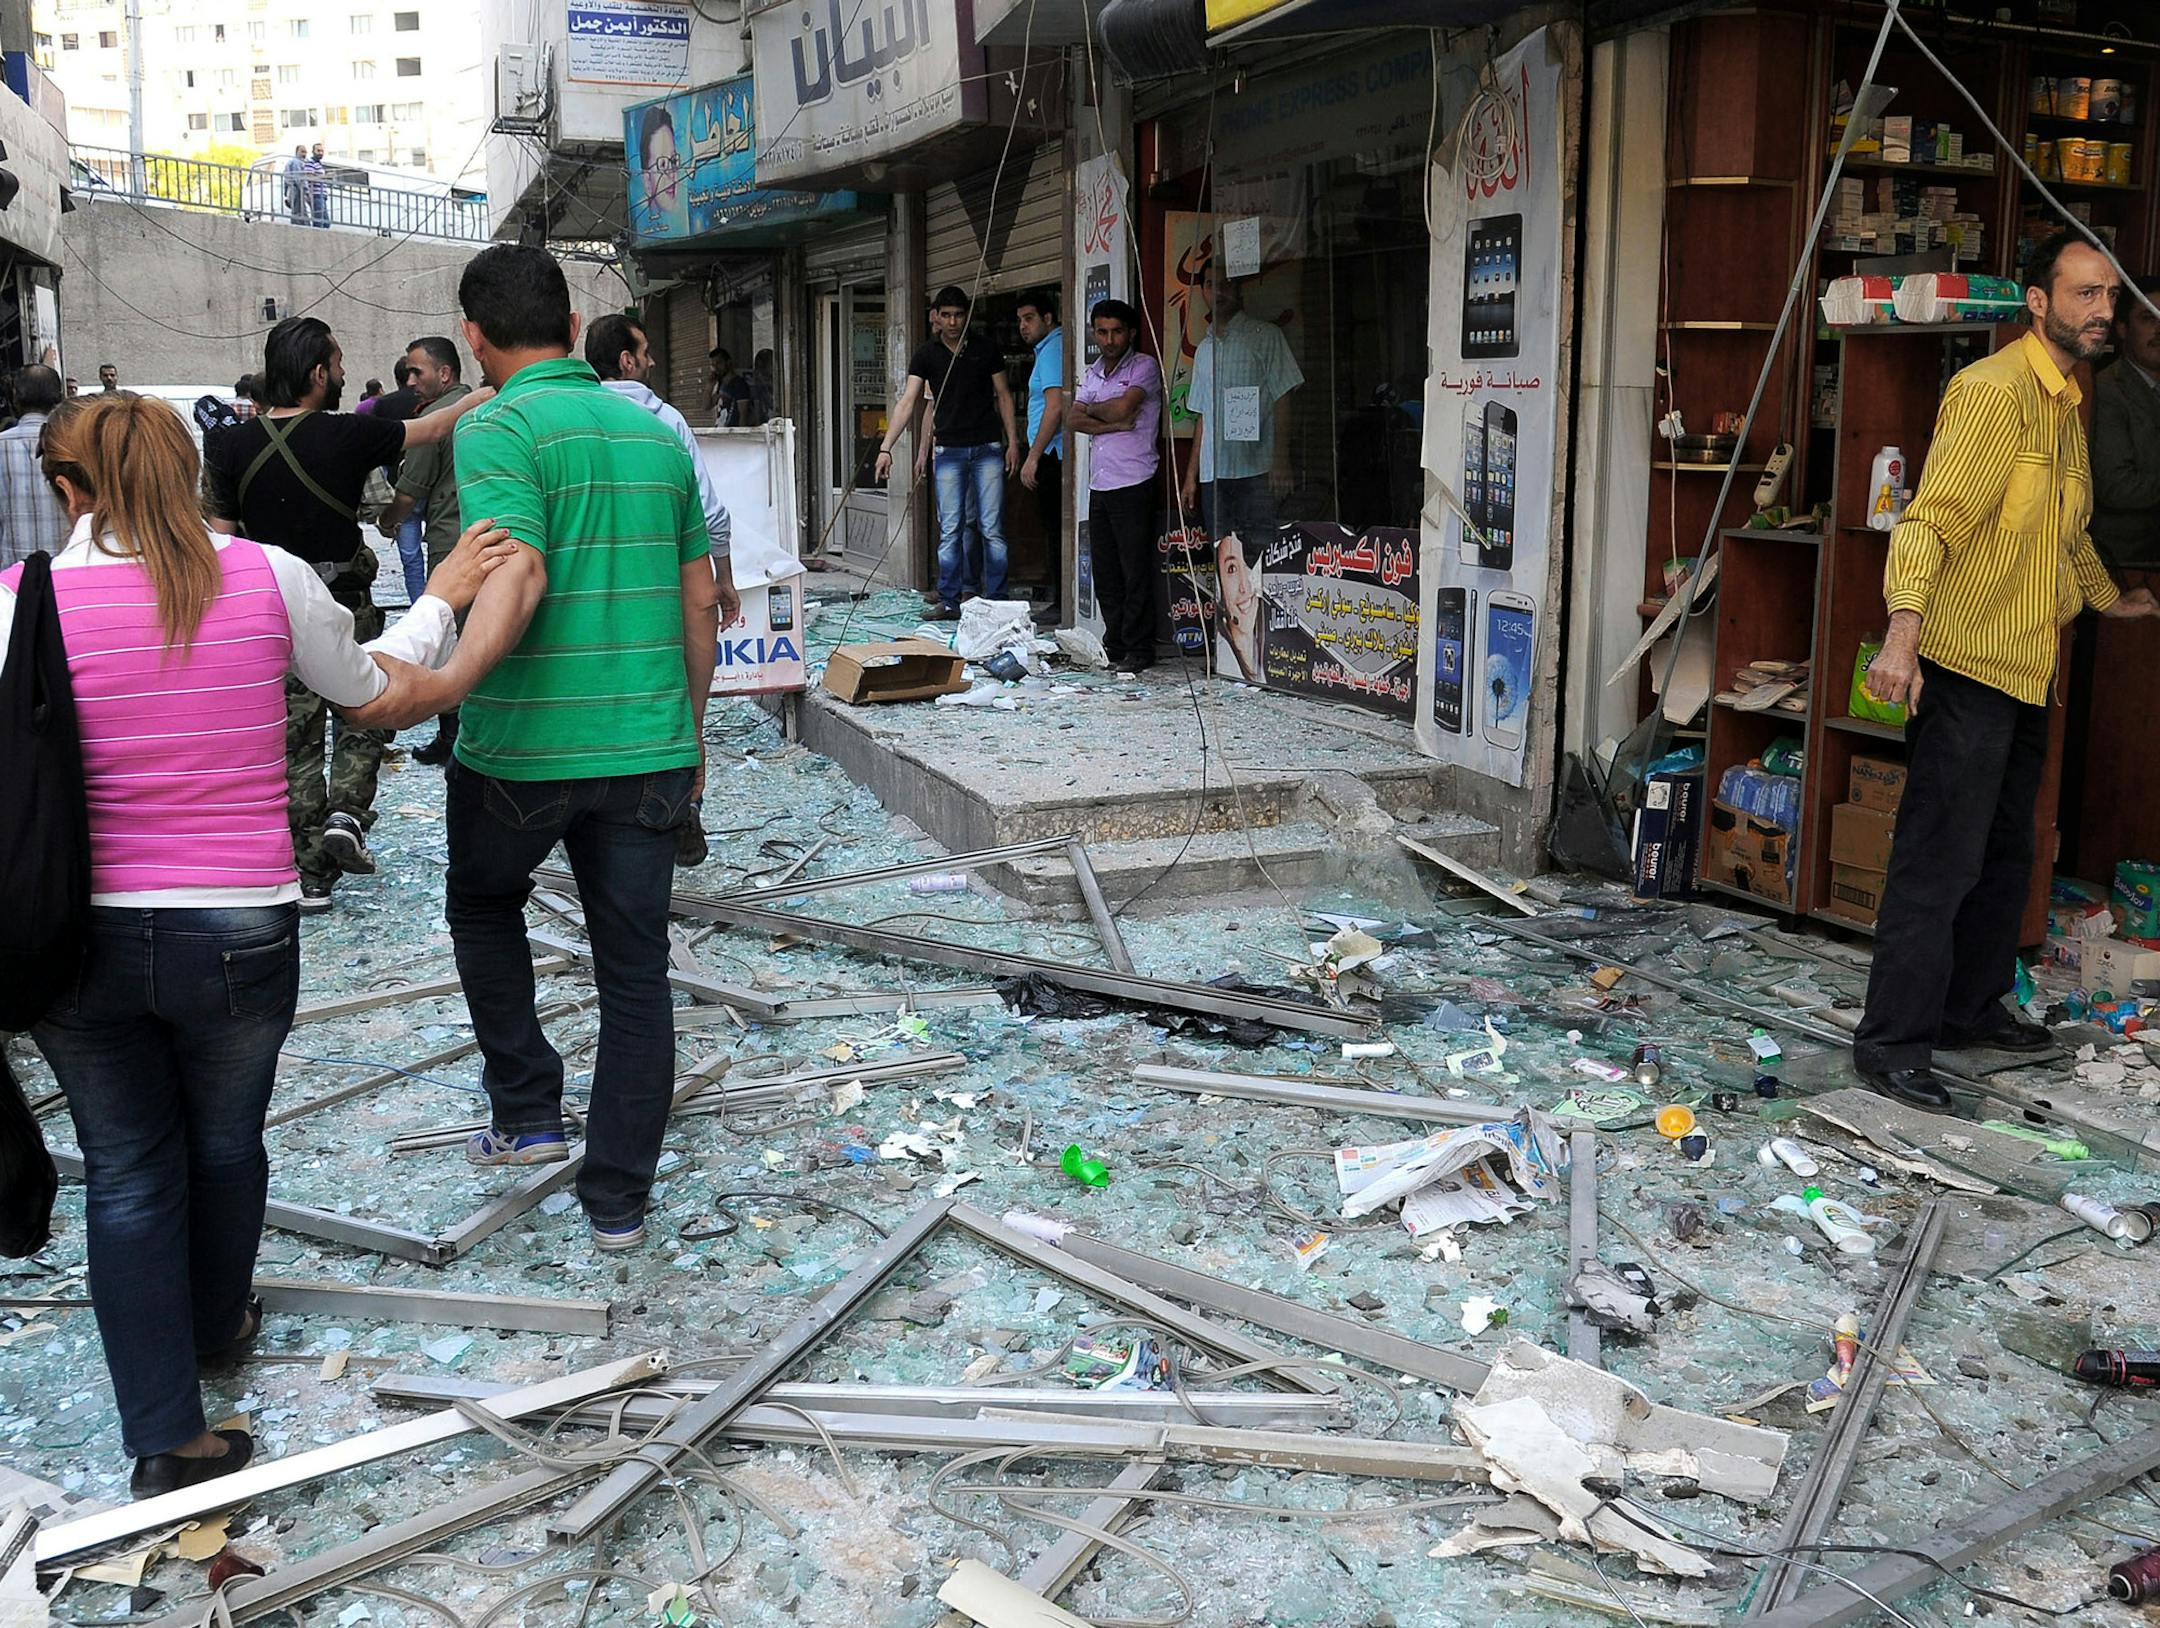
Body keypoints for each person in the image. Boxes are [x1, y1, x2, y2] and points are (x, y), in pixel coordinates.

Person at [0, 391, 511, 1498]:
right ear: (190, 470)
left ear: (67, 490)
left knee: (127, 1172)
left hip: (73, 938)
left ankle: (163, 1438)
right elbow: (372, 693)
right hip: (236, 921)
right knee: (227, 1145)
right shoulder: (268, 578)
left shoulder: (14, 605)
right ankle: (218, 1321)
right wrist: (441, 602)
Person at [345, 244, 737, 1252]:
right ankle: (619, 1201)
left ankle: (525, 1111)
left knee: (484, 904)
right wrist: (690, 733)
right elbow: (701, 600)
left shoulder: (498, 426)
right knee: (636, 971)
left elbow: (513, 568)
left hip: (521, 751)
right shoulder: (657, 434)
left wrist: (444, 686)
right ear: (570, 326)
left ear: (473, 337)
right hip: (647, 746)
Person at [1855, 232, 2160, 1109]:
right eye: (2084, 294)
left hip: (2028, 668)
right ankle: (1891, 1042)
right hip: (1965, 667)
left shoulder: (2067, 401)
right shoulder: (1993, 393)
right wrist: (1902, 636)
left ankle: (1967, 1008)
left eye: (2110, 296)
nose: (2103, 311)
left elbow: (2064, 534)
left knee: (2004, 851)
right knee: (1938, 861)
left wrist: (2108, 599)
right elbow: (1931, 521)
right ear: (2037, 302)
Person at [201, 316, 489, 912]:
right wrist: (493, 388)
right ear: (316, 373)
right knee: (367, 707)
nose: (341, 374)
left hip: (271, 606)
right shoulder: (348, 433)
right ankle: (348, 813)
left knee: (295, 737)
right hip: (343, 599)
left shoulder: (229, 445)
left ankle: (311, 874)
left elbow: (222, 538)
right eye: (335, 365)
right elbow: (436, 425)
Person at [872, 286, 1019, 619]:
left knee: (992, 528)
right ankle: (951, 601)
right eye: (947, 315)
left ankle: (998, 600)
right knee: (951, 529)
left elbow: (1004, 396)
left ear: (967, 316)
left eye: (959, 315)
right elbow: (908, 402)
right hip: (949, 450)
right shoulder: (926, 354)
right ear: (936, 316)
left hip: (987, 448)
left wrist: (1012, 442)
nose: (953, 322)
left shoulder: (985, 348)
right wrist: (886, 447)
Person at [381, 336, 473, 766]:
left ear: (445, 373)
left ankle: (453, 735)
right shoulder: (489, 406)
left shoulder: (435, 420)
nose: (410, 381)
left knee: (449, 635)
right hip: (498, 538)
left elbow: (410, 490)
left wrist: (388, 519)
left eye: (417, 371)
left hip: (450, 542)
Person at [1067, 299, 1163, 673]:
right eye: (1102, 332)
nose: (1109, 340)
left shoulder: (1144, 367)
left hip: (1134, 480)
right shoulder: (1092, 372)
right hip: (1101, 483)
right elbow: (1073, 419)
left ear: (1131, 333)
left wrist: (1097, 409)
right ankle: (1117, 643)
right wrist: (1112, 423)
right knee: (1106, 571)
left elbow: (1124, 409)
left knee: (1134, 569)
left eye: (1117, 332)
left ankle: (1139, 648)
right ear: (1094, 333)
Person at [1178, 260, 1304, 544]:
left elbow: (1283, 397)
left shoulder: (1265, 337)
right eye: (1210, 285)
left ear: (1239, 289)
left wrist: (1281, 460)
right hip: (1213, 475)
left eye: (1226, 284)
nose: (1218, 292)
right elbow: (1202, 416)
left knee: (1259, 552)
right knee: (1223, 553)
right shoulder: (1204, 350)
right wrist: (1191, 476)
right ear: (1202, 291)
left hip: (1257, 471)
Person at [2090, 274, 2160, 573]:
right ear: (2121, 328)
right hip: (2125, 561)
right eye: (2148, 318)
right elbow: (2117, 487)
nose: (2159, 329)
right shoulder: (2107, 390)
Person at [1016, 290, 1065, 622]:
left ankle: (1061, 601)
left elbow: (1055, 406)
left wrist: (1033, 457)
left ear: (1048, 318)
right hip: (1048, 452)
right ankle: (1059, 598)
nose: (1023, 326)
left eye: (1029, 318)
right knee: (1052, 528)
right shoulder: (1047, 349)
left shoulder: (1052, 350)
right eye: (1020, 320)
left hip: (1051, 454)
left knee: (1056, 529)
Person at [0, 364, 69, 567]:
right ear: (59, 398)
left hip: (11, 572)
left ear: (15, 398)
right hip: (65, 569)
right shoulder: (75, 445)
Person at [710, 346, 759, 426]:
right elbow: (706, 406)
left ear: (728, 362)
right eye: (713, 365)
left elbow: (743, 413)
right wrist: (709, 387)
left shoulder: (739, 384)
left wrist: (740, 431)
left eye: (719, 363)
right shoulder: (721, 384)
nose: (716, 368)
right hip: (721, 427)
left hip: (733, 429)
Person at [282, 145, 310, 226]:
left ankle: (299, 225)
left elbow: (286, 179)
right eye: (302, 152)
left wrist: (286, 193)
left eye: (305, 152)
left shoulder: (291, 162)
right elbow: (299, 178)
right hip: (297, 189)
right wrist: (306, 191)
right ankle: (303, 227)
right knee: (299, 210)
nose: (304, 154)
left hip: (292, 189)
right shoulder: (297, 162)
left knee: (297, 210)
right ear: (297, 152)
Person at [307, 143, 330, 228]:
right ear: (313, 151)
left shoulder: (319, 164)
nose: (320, 153)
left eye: (322, 151)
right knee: (319, 221)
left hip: (322, 194)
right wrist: (325, 176)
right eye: (318, 151)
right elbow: (309, 177)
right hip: (316, 194)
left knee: (326, 223)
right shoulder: (310, 162)